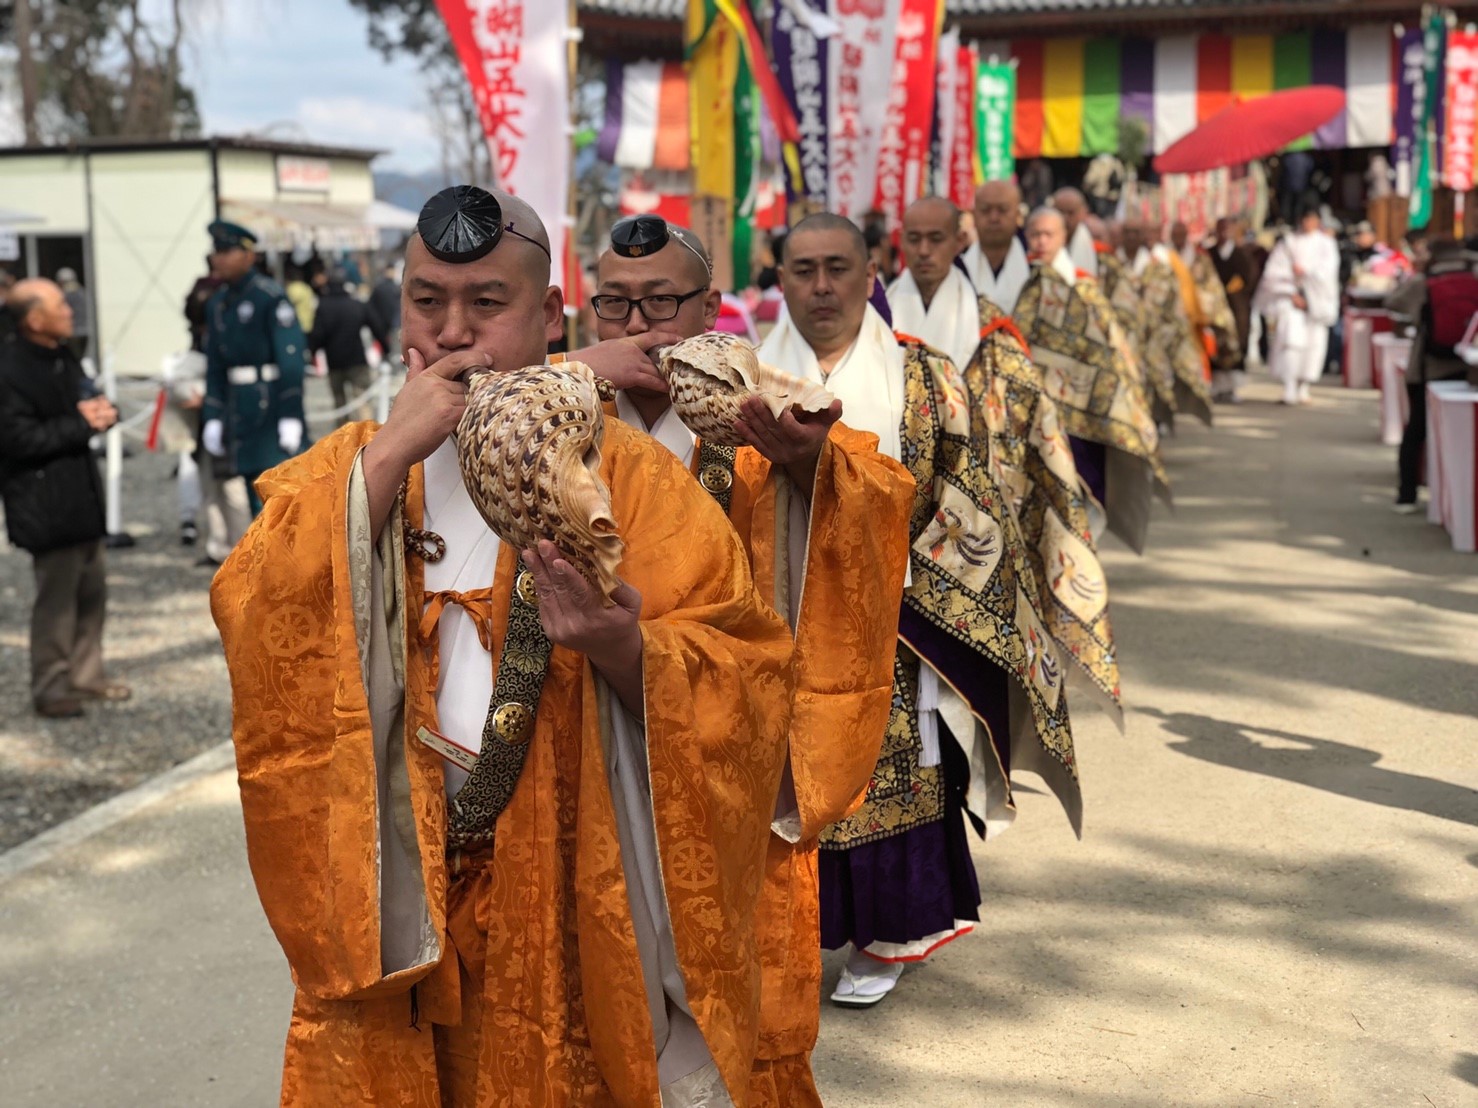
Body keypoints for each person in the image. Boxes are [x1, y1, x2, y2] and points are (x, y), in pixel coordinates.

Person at [212, 185, 798, 1106]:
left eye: (487, 303)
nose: (453, 331)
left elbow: (749, 675)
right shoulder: (352, 467)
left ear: (547, 316)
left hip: (567, 886)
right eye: (426, 299)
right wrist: (386, 459)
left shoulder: (631, 475)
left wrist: (622, 649)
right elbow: (255, 612)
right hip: (394, 888)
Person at [589, 212, 914, 1105]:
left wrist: (812, 472)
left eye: (663, 302)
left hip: (736, 752)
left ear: (710, 309)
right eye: (614, 306)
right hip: (592, 749)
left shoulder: (759, 397)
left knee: (749, 1004)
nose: (640, 327)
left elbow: (879, 496)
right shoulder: (557, 419)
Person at [758, 212, 1081, 1009]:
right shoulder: (743, 378)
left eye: (838, 267)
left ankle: (886, 937)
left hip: (890, 625)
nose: (822, 286)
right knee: (776, 781)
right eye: (803, 270)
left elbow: (967, 500)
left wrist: (897, 573)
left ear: (872, 272)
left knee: (891, 773)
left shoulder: (923, 377)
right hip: (775, 618)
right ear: (780, 279)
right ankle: (783, 934)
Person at [888, 197, 1122, 722]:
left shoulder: (991, 328)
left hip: (982, 502)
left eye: (937, 239)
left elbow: (1030, 413)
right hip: (897, 500)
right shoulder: (877, 317)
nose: (924, 251)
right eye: (915, 239)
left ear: (957, 242)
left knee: (975, 652)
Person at [0, 278, 129, 718]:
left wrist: (104, 411)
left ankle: (86, 675)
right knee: (56, 600)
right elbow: (17, 438)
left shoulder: (63, 356)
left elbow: (86, 399)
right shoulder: (10, 368)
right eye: (60, 305)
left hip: (80, 494)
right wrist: (81, 423)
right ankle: (51, 685)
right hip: (42, 500)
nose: (70, 310)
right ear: (35, 319)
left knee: (92, 590)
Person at [1014, 207, 1169, 553]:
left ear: (1063, 237)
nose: (1039, 241)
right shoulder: (1025, 283)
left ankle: (1078, 551)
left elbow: (1112, 349)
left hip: (1083, 409)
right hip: (1036, 403)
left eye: (1047, 234)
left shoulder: (1083, 285)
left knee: (1082, 481)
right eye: (1034, 234)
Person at [200, 220, 308, 516]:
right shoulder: (219, 303)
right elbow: (215, 364)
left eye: (227, 251)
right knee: (252, 499)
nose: (219, 258)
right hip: (238, 407)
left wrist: (290, 414)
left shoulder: (269, 297)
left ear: (249, 255)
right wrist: (212, 414)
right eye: (216, 251)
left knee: (281, 499)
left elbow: (290, 360)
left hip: (269, 404)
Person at [1385, 237, 1478, 512]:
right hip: (1470, 369)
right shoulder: (1474, 277)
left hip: (1430, 366)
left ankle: (1407, 494)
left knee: (1416, 431)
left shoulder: (1425, 282)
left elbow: (1394, 302)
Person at [1254, 207, 1341, 405]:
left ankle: (1304, 386)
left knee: (1314, 345)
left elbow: (1327, 274)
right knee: (1291, 343)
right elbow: (1273, 273)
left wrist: (1307, 273)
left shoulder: (1326, 244)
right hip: (1291, 299)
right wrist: (1291, 291)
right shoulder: (1289, 243)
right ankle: (1289, 387)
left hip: (1317, 303)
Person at [309, 271, 388, 425]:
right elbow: (376, 326)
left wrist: (310, 354)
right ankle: (366, 438)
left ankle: (344, 440)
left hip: (334, 362)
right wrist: (385, 348)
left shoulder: (323, 307)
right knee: (362, 401)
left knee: (340, 403)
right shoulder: (356, 304)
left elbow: (317, 336)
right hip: (357, 360)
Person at [961, 180, 1031, 316]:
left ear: (1018, 216)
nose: (994, 218)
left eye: (1002, 210)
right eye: (985, 210)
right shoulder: (957, 269)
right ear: (974, 215)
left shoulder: (1036, 268)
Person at [1210, 217, 1259, 403]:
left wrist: (1234, 289)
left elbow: (1250, 278)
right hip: (1214, 307)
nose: (1223, 234)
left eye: (1227, 230)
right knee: (1216, 343)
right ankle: (1217, 385)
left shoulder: (1242, 254)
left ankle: (1232, 387)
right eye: (1220, 230)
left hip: (1236, 306)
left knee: (1237, 342)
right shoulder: (1209, 254)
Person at [1052, 187, 1098, 279]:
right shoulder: (1042, 242)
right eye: (1060, 212)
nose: (1065, 218)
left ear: (1083, 213)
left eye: (1070, 213)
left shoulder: (1096, 242)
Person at [367, 261, 402, 361]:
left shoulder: (381, 287)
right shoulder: (394, 287)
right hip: (392, 322)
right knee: (393, 348)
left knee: (389, 348)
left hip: (387, 322)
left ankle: (387, 364)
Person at [54, 266, 91, 363]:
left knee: (73, 360)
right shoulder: (82, 292)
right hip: (85, 330)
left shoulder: (65, 295)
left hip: (73, 332)